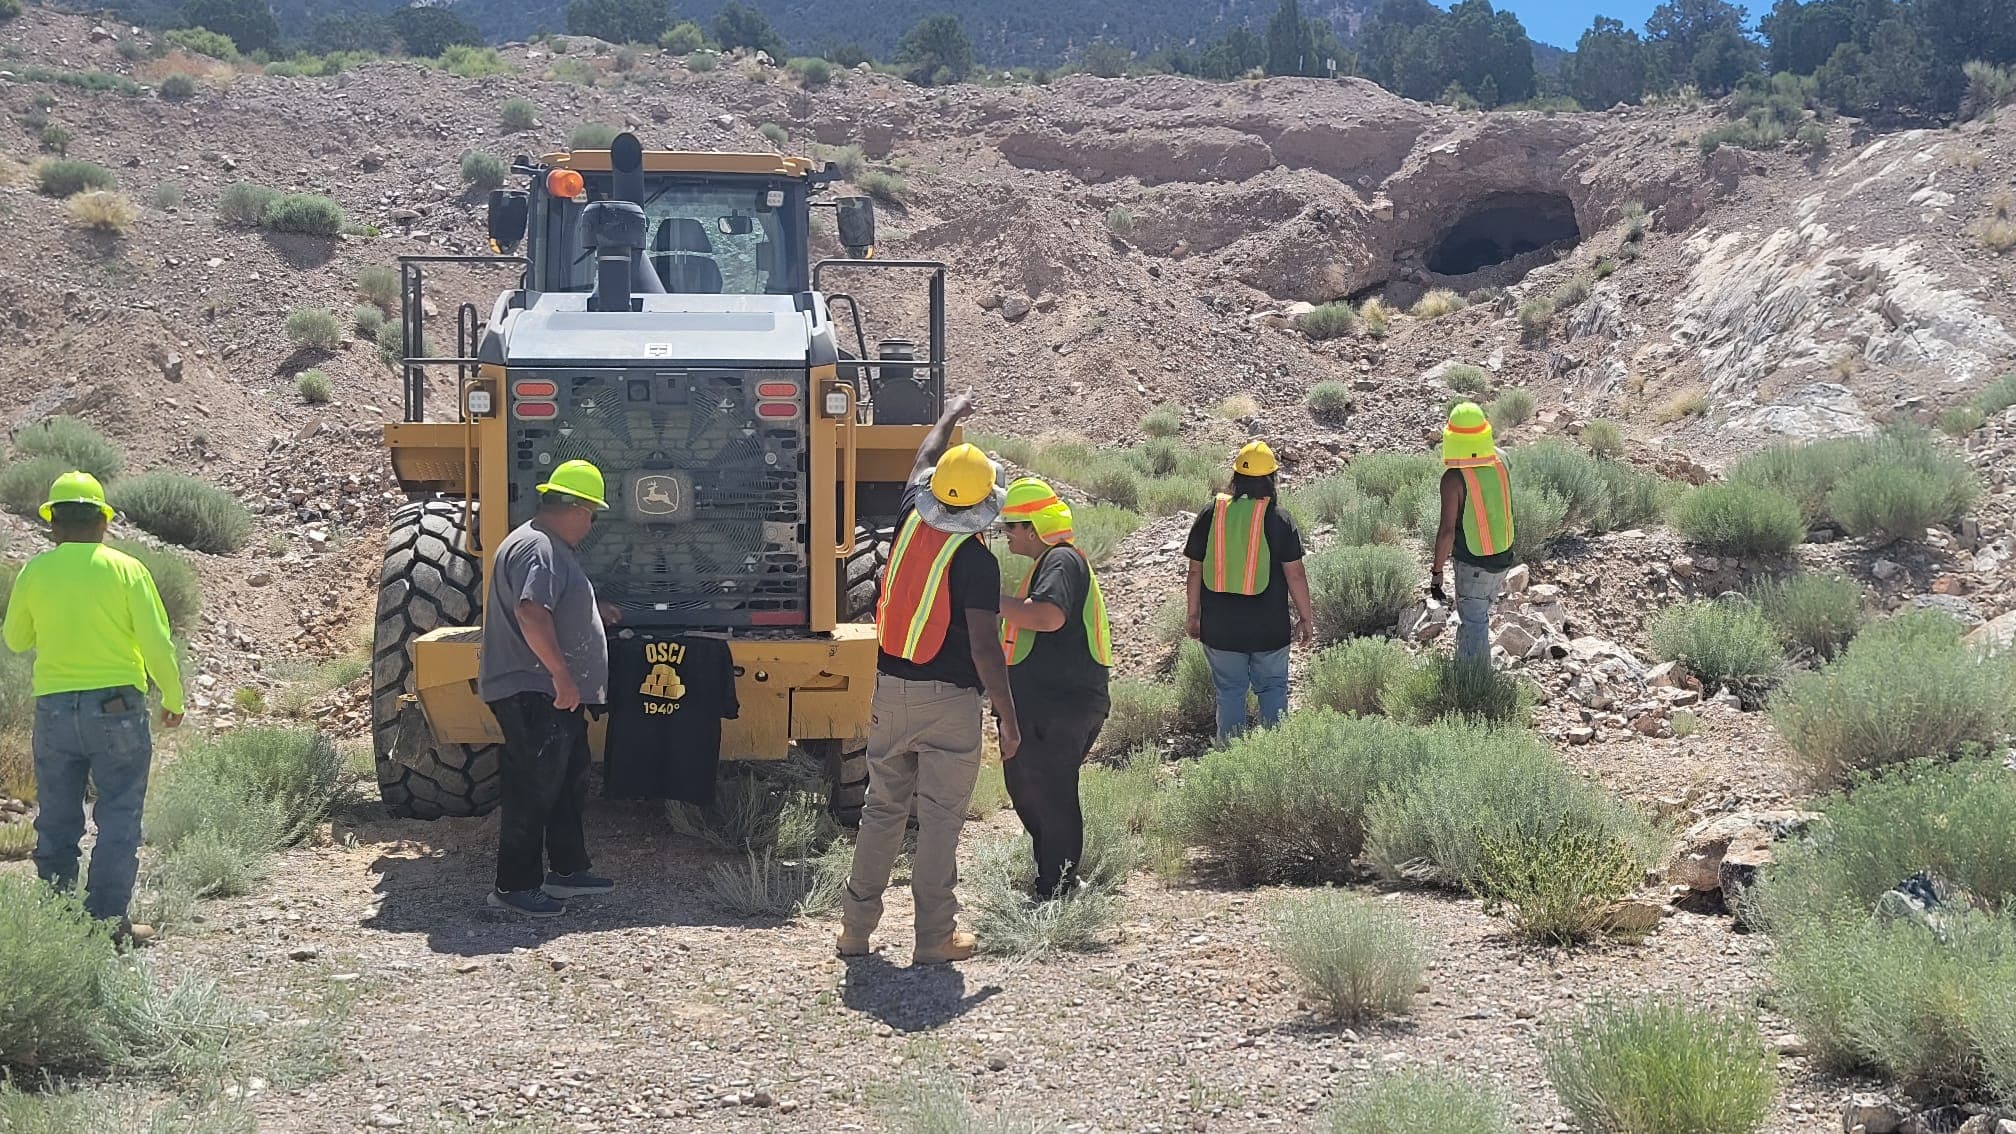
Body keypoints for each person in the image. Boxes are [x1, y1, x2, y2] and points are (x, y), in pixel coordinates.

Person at [839, 394, 1020, 965]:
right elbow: (988, 650)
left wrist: (952, 414)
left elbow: (924, 453)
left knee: (881, 811)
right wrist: (1007, 717)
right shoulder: (977, 562)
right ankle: (933, 938)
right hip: (949, 704)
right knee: (939, 820)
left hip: (889, 692)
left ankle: (855, 932)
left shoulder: (912, 511)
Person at [2, 471, 184, 940]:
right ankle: (107, 925)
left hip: (55, 710)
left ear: (54, 526)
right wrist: (173, 696)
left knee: (58, 820)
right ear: (103, 523)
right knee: (119, 817)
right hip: (118, 709)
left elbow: (16, 639)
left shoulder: (34, 571)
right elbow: (157, 643)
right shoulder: (127, 570)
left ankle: (58, 928)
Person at [477, 458, 619, 918]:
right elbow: (531, 612)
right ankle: (514, 885)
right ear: (574, 507)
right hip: (534, 689)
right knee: (533, 784)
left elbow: (551, 606)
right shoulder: (539, 547)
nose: (592, 522)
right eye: (591, 512)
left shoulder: (543, 546)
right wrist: (560, 674)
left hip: (548, 691)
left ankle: (567, 871)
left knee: (565, 778)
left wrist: (596, 611)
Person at [996, 479, 1112, 900]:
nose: (1006, 533)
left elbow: (1047, 617)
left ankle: (1058, 886)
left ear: (1033, 527)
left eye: (1011, 525)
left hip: (1062, 703)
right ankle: (1055, 878)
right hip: (1051, 701)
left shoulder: (1060, 561)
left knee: (1051, 791)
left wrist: (989, 601)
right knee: (1032, 787)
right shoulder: (1051, 561)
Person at [1184, 441, 1316, 745]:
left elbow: (1194, 571)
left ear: (1236, 477)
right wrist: (1306, 618)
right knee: (1272, 690)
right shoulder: (1279, 519)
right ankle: (1274, 759)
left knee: (1229, 692)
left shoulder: (1211, 514)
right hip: (1269, 629)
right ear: (1272, 479)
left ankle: (1230, 760)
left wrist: (1193, 615)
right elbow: (1295, 573)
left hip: (1220, 629)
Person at [1431, 402, 1518, 665]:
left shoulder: (1453, 480)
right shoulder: (1501, 458)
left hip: (1474, 563)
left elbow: (1446, 531)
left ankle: (1477, 684)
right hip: (1503, 556)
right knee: (1476, 615)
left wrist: (1436, 573)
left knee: (1474, 621)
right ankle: (1465, 666)